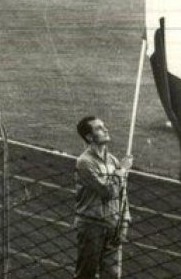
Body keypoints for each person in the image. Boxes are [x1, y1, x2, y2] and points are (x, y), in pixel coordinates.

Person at [73, 116, 133, 279]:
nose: (106, 129)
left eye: (104, 126)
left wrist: (125, 221)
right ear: (89, 137)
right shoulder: (84, 162)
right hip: (92, 225)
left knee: (112, 275)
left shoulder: (112, 160)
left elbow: (122, 194)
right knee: (86, 273)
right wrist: (122, 171)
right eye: (99, 128)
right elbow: (107, 191)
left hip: (113, 225)